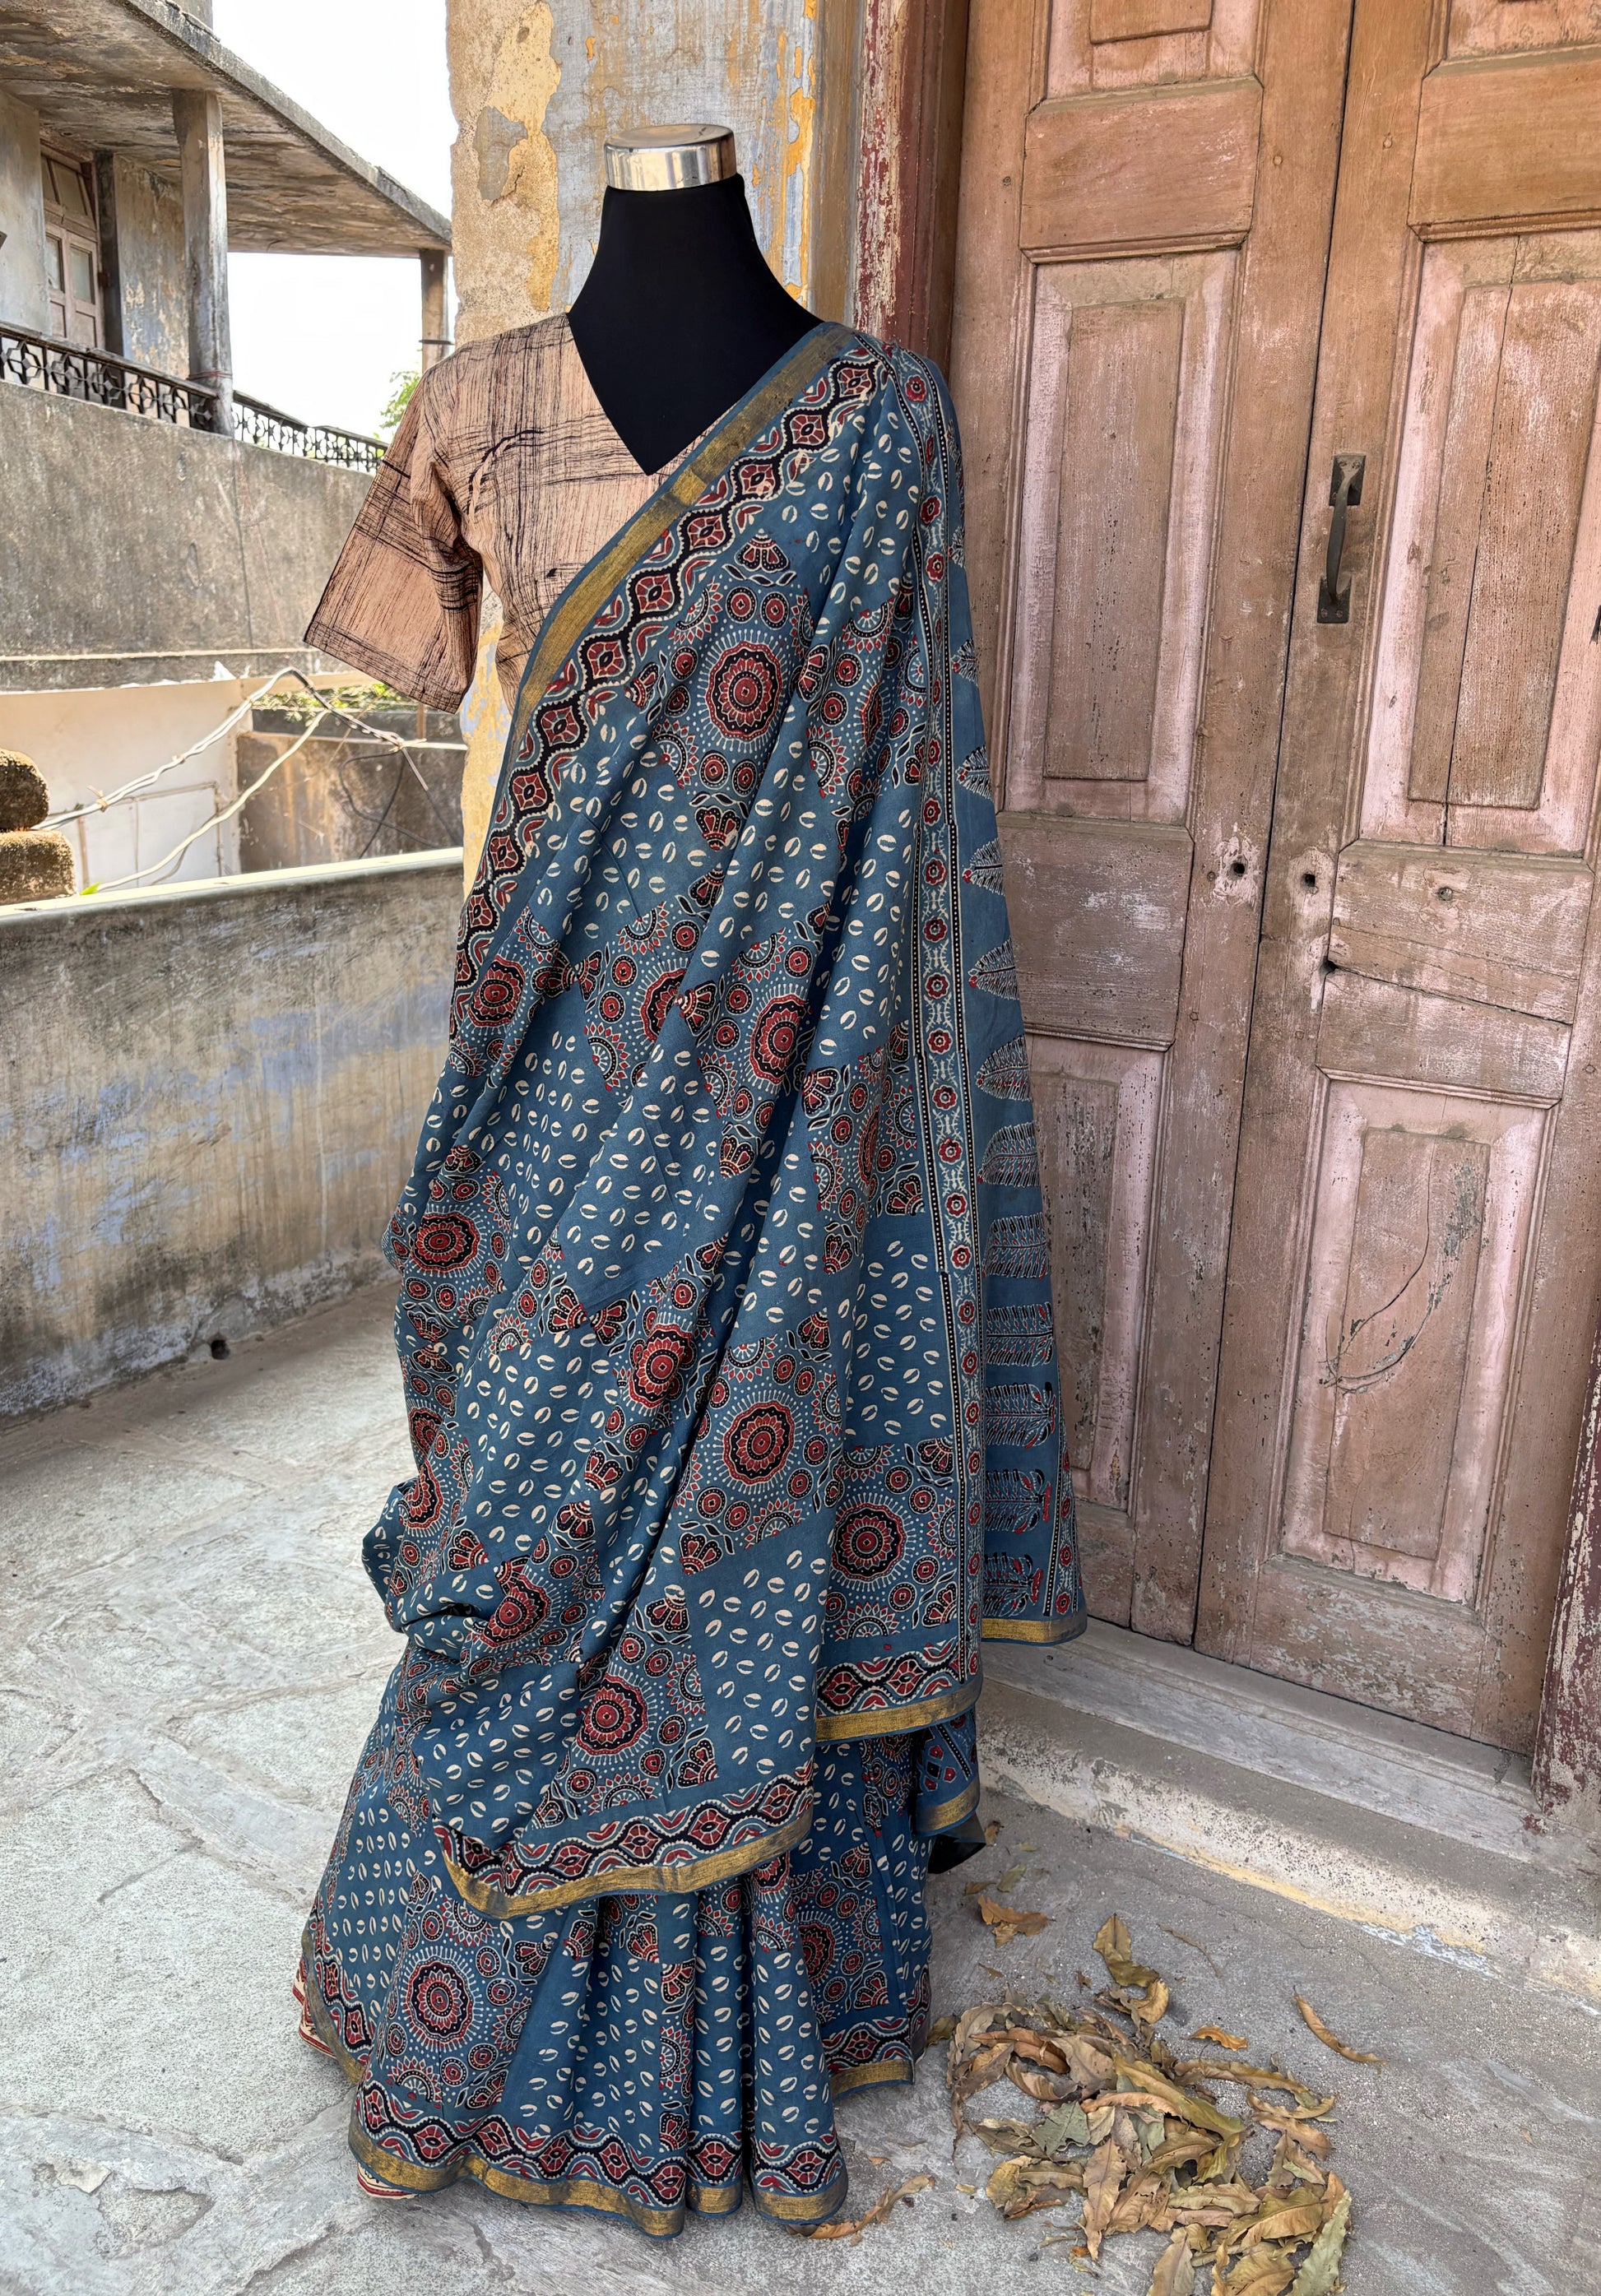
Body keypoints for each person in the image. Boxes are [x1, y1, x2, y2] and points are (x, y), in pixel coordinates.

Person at [294, 123, 1084, 2235]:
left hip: (785, 1121)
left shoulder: (880, 421)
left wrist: (823, 1113)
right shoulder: (463, 405)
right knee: (532, 1511)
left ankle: (746, 1992)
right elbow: (395, 681)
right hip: (541, 1084)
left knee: (729, 1500)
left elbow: (900, 839)